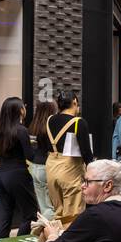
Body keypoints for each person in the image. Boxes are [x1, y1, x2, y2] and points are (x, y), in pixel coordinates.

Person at [0, 97, 40, 242]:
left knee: (4, 216)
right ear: (19, 111)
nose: (25, 108)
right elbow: (30, 156)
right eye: (23, 106)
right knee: (31, 214)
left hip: (2, 176)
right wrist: (36, 146)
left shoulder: (1, 131)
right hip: (18, 175)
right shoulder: (21, 130)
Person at [35, 90, 93, 225]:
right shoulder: (79, 122)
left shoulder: (49, 120)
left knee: (58, 211)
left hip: (51, 168)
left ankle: (56, 239)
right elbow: (86, 153)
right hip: (70, 170)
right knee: (73, 213)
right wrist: (92, 171)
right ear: (74, 102)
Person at [27, 100, 58, 221]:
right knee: (51, 207)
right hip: (47, 167)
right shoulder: (49, 128)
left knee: (42, 206)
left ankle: (42, 232)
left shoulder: (33, 127)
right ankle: (47, 233)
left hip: (34, 167)